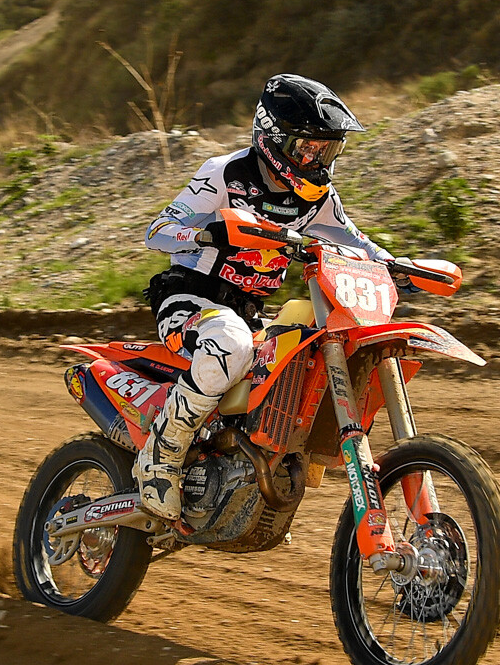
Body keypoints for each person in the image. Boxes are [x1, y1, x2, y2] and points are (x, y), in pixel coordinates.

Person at [135, 73, 431, 521]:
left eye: (326, 150)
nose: (317, 160)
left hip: (249, 312)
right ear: (273, 139)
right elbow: (156, 232)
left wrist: (398, 267)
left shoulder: (319, 198)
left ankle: (251, 478)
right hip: (190, 299)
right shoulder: (225, 174)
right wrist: (206, 233)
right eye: (308, 148)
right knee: (231, 344)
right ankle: (161, 455)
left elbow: (359, 244)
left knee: (299, 361)